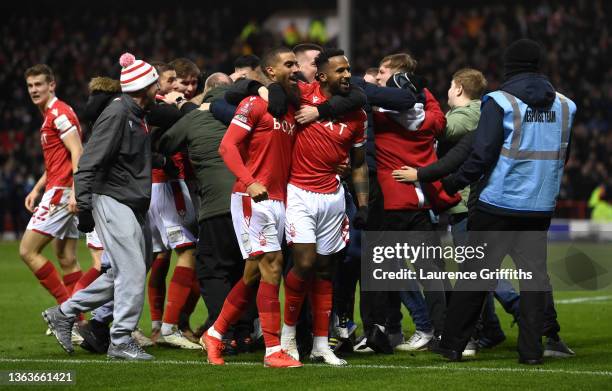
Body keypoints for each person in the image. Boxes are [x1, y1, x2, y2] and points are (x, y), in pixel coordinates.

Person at [435, 39, 577, 364]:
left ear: (509, 66)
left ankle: (453, 345)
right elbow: (561, 157)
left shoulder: (499, 101)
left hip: (497, 205)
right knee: (534, 281)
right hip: (540, 207)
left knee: (474, 276)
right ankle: (531, 351)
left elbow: (481, 156)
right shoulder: (566, 106)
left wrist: (454, 183)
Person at [42, 52, 159, 361]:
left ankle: (63, 314)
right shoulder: (119, 113)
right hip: (112, 198)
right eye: (155, 80)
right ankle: (120, 340)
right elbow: (88, 163)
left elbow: (128, 157)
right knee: (132, 271)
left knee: (129, 270)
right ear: (146, 85)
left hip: (132, 202)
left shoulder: (137, 113)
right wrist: (83, 208)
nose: (159, 85)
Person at [201, 47, 302, 368]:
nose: (295, 68)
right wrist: (249, 181)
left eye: (296, 63)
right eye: (289, 64)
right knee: (272, 265)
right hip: (251, 198)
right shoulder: (254, 104)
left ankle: (215, 333)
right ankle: (273, 350)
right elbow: (227, 146)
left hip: (280, 199)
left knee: (253, 273)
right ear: (270, 72)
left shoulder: (288, 109)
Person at [280, 49, 369, 366]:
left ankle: (320, 343)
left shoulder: (357, 114)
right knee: (303, 263)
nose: (347, 75)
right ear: (320, 77)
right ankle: (287, 336)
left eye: (349, 69)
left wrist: (363, 205)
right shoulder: (302, 94)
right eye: (340, 71)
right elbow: (268, 86)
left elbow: (358, 165)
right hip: (299, 192)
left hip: (332, 196)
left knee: (325, 271)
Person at [158, 72, 258, 352]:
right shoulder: (246, 115)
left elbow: (164, 144)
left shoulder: (194, 118)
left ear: (205, 92)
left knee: (212, 270)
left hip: (216, 208)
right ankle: (246, 332)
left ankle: (222, 329)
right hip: (251, 205)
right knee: (246, 270)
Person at [19, 64, 83, 310]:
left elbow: (78, 151)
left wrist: (77, 190)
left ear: (51, 85)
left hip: (62, 192)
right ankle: (79, 323)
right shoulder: (52, 114)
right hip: (60, 188)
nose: (34, 90)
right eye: (30, 86)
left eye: (39, 84)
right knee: (67, 258)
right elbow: (60, 160)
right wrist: (36, 188)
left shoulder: (59, 114)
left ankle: (65, 312)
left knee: (27, 251)